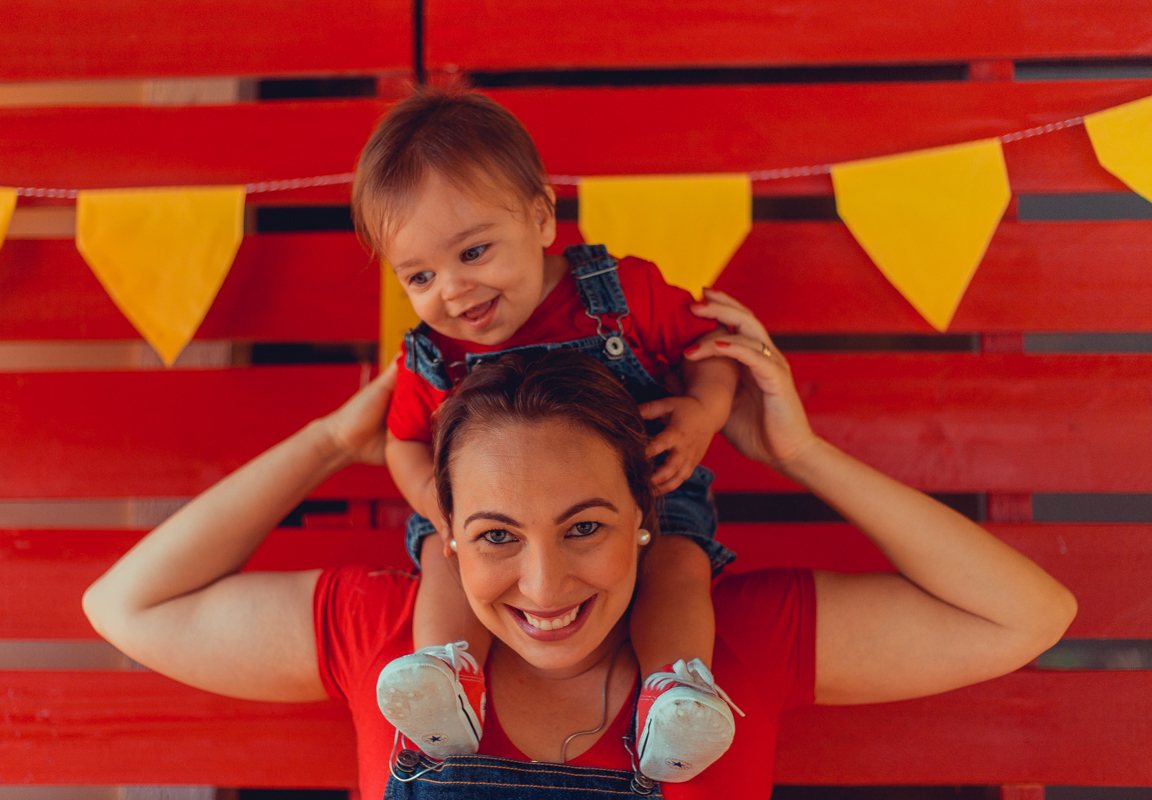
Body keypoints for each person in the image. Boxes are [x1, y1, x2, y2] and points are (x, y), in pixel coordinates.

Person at [83, 292, 1077, 800]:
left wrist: (803, 454)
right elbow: (127, 607)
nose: (544, 582)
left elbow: (1028, 615)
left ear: (650, 512)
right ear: (445, 535)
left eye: (586, 526)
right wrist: (333, 439)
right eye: (496, 535)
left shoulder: (734, 641)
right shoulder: (387, 634)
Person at [359, 86, 740, 779]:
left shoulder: (621, 294)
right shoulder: (434, 355)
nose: (452, 290)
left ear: (540, 217)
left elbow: (710, 347)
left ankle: (674, 695)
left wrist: (703, 413)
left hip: (648, 496)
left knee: (678, 567)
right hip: (493, 532)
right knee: (443, 558)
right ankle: (447, 677)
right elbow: (402, 441)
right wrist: (436, 506)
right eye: (419, 275)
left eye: (474, 252)